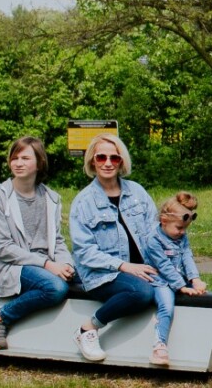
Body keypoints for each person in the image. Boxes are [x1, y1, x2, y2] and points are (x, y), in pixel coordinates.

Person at [67, 131, 163, 363]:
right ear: (92, 161)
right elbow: (85, 252)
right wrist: (124, 266)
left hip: (140, 269)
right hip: (102, 274)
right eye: (101, 157)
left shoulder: (137, 193)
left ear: (122, 162)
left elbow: (155, 233)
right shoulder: (84, 202)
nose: (108, 163)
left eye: (114, 158)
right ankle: (88, 329)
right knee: (140, 292)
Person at [0, 135, 76, 350]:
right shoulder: (0, 197)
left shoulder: (51, 198)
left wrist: (66, 263)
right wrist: (47, 264)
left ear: (39, 163)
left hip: (44, 262)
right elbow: (3, 248)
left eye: (25, 158)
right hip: (12, 264)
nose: (18, 163)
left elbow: (57, 240)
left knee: (84, 276)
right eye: (15, 158)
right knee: (55, 287)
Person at [145, 191, 210, 369]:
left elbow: (187, 256)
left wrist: (195, 279)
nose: (182, 232)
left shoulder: (181, 237)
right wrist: (181, 286)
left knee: (201, 295)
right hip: (160, 280)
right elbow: (164, 266)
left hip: (177, 278)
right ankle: (159, 346)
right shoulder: (153, 240)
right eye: (179, 228)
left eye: (185, 229)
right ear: (164, 221)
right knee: (166, 306)